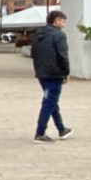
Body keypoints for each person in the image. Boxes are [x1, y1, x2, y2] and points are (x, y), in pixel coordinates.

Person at [31, 10, 73, 143]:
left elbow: (33, 53)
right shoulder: (59, 35)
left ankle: (61, 129)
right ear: (56, 21)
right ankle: (40, 133)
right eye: (62, 21)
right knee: (49, 102)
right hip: (54, 73)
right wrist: (66, 72)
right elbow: (63, 55)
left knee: (51, 101)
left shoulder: (38, 34)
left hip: (41, 72)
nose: (64, 24)